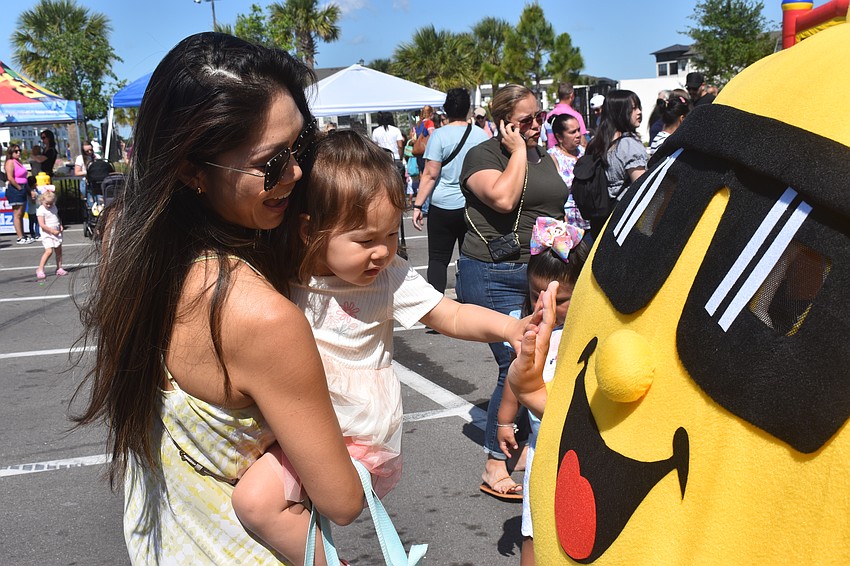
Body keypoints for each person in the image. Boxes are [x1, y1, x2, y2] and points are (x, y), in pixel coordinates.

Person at [73, 32, 365, 564]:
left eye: (303, 146)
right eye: (272, 163)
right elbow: (342, 499)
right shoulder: (259, 316)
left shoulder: (126, 242)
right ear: (191, 170)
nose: (297, 173)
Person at [231, 130, 535, 560]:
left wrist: (509, 328)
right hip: (294, 411)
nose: (382, 252)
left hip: (351, 426)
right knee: (272, 502)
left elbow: (449, 314)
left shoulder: (389, 276)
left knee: (256, 502)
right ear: (308, 230)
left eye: (391, 235)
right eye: (364, 240)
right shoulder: (286, 270)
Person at [458, 83, 569, 500]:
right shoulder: (482, 156)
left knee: (538, 358)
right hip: (492, 272)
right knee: (516, 362)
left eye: (539, 117)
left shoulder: (543, 154)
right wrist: (518, 149)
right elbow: (503, 199)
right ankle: (493, 462)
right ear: (503, 121)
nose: (537, 125)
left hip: (535, 272)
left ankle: (517, 445)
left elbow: (555, 202)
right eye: (526, 120)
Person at [497, 216, 589, 566]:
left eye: (560, 299)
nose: (545, 306)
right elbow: (516, 379)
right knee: (534, 528)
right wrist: (506, 423)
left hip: (579, 449)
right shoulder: (530, 330)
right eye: (537, 294)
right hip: (540, 449)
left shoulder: (586, 333)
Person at [412, 87, 489, 294]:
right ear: (467, 109)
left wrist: (418, 205)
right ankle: (472, 302)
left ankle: (437, 308)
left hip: (442, 205)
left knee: (438, 259)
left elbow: (430, 174)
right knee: (471, 258)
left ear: (446, 109)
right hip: (472, 206)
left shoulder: (439, 136)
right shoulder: (481, 135)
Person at [585, 89, 647, 205]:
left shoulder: (595, 144)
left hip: (603, 215)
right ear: (620, 112)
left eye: (639, 107)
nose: (639, 112)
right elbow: (642, 187)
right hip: (625, 213)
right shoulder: (629, 145)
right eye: (633, 109)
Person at [547, 114, 590, 230]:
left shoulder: (584, 152)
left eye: (578, 130)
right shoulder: (552, 157)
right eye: (572, 132)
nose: (578, 135)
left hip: (589, 221)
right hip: (568, 225)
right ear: (559, 137)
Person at [4, 144, 33, 244]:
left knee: (21, 213)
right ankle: (20, 237)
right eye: (16, 151)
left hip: (23, 187)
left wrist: (28, 190)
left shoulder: (18, 162)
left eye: (19, 150)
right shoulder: (10, 162)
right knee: (17, 214)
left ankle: (23, 234)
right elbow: (10, 177)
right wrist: (19, 187)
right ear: (11, 153)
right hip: (16, 189)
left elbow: (25, 177)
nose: (18, 153)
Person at [545, 82, 588, 149]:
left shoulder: (549, 116)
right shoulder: (575, 116)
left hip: (552, 157)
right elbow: (583, 143)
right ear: (571, 95)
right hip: (572, 157)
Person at [35, 190, 66, 279]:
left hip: (56, 231)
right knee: (49, 251)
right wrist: (51, 231)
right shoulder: (41, 210)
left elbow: (56, 217)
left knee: (59, 250)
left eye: (51, 203)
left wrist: (60, 225)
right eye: (47, 204)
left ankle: (59, 268)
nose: (49, 205)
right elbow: (42, 224)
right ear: (42, 201)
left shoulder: (54, 207)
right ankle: (40, 269)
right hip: (47, 233)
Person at [26, 176, 40, 241]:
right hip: (35, 210)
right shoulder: (33, 193)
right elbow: (34, 201)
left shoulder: (28, 191)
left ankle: (32, 234)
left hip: (30, 210)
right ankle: (37, 234)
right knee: (37, 222)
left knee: (31, 223)